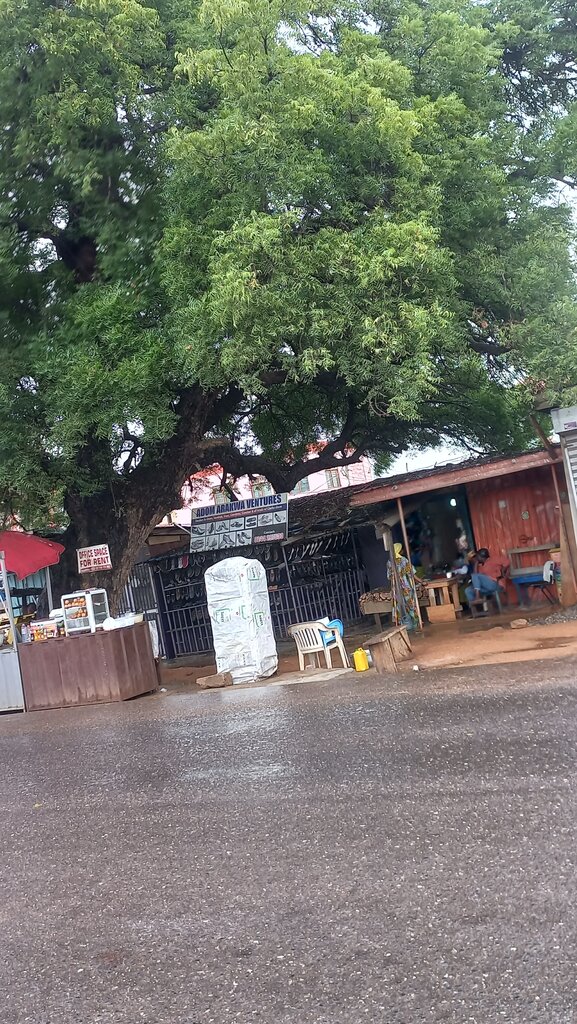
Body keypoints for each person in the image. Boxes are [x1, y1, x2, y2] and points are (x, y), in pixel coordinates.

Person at [388, 542, 419, 630]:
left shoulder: (389, 562)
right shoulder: (403, 560)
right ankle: (415, 623)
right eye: (401, 549)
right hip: (405, 586)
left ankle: (403, 625)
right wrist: (421, 581)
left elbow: (389, 577)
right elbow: (411, 573)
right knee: (410, 604)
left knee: (399, 606)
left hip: (395, 588)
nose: (402, 551)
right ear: (398, 550)